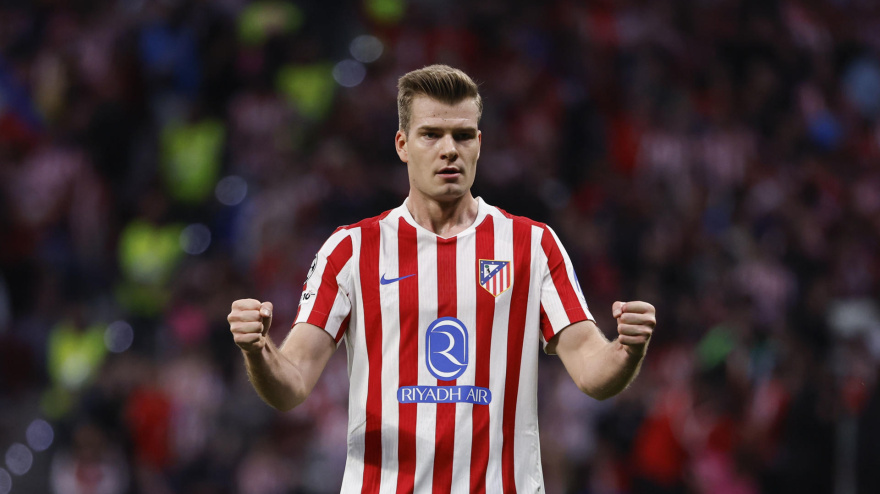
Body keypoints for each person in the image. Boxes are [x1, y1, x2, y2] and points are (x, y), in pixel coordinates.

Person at [227, 64, 656, 493]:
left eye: (463, 136)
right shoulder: (350, 250)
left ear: (479, 144)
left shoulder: (532, 245)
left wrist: (627, 349)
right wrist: (258, 350)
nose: (449, 149)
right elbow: (292, 384)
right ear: (402, 144)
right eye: (431, 135)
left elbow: (591, 371)